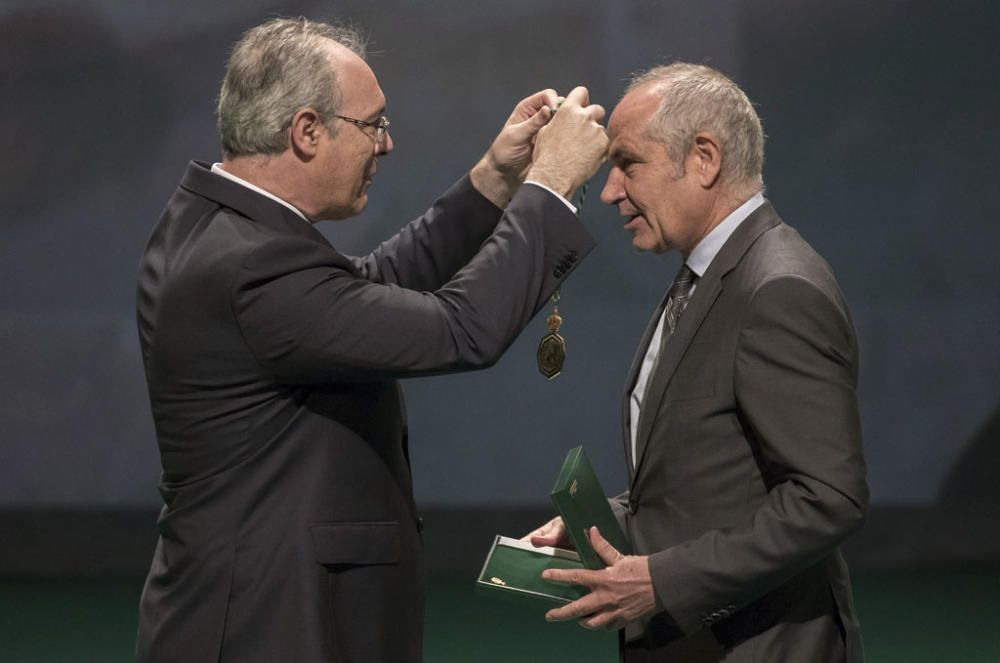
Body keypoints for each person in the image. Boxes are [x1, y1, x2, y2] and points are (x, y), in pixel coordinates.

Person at [135, 17, 607, 663]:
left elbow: (364, 289)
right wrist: (549, 187)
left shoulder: (219, 222)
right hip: (272, 621)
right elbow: (460, 328)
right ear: (305, 130)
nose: (386, 144)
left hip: (259, 603)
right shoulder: (253, 268)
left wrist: (496, 179)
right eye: (372, 124)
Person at [528, 63, 868, 662]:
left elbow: (826, 497)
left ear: (704, 158)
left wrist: (662, 583)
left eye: (627, 163)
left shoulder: (777, 286)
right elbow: (712, 479)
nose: (608, 192)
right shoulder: (705, 274)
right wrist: (599, 526)